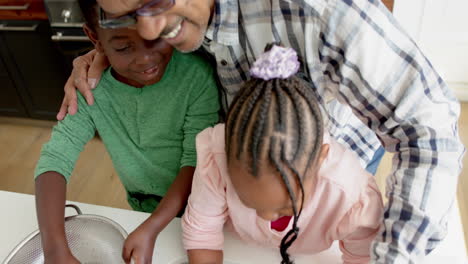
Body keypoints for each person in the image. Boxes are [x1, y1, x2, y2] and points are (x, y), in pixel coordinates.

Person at [58, 0, 465, 262]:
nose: (148, 34)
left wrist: (392, 256)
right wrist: (105, 54)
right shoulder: (172, 24)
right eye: (126, 15)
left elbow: (427, 132)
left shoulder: (319, 10)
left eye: (153, 2)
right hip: (240, 175)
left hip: (337, 167)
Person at [34, 0, 219, 263]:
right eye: (123, 47)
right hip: (142, 209)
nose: (145, 58)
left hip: (203, 212)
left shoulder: (195, 76)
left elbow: (196, 159)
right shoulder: (91, 87)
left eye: (154, 39)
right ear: (95, 39)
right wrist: (54, 247)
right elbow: (55, 158)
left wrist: (153, 226)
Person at [182, 45, 384, 264]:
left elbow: (362, 256)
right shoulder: (217, 157)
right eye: (249, 202)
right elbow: (202, 232)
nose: (265, 217)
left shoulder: (349, 194)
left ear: (320, 160)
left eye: (285, 207)